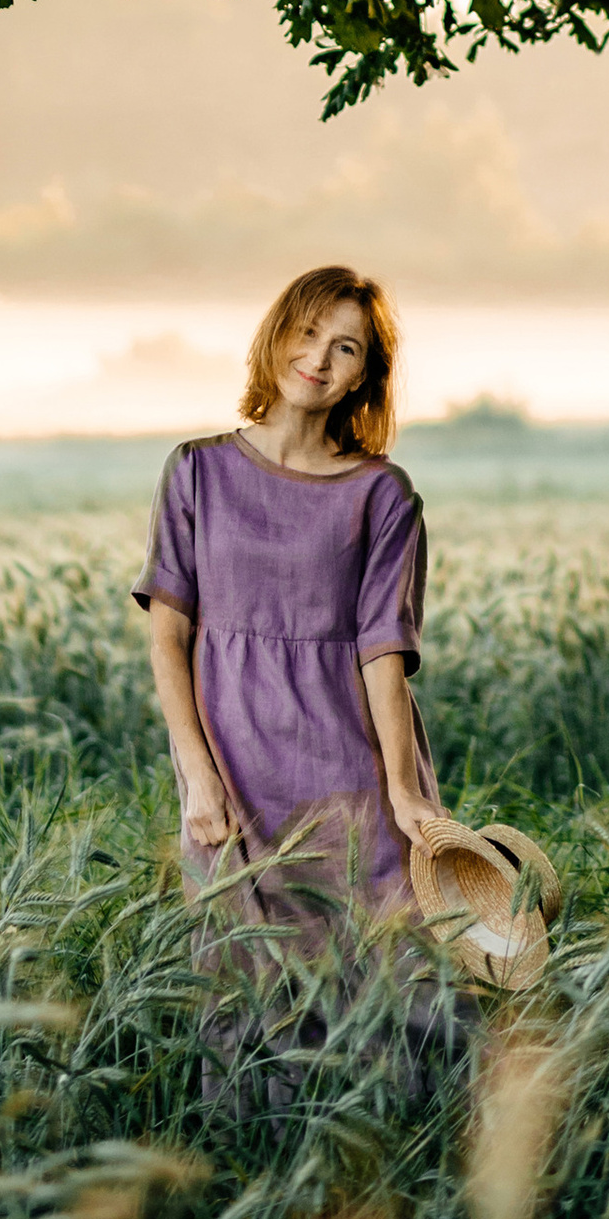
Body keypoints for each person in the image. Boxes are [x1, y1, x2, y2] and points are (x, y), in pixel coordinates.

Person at [133, 263, 443, 937]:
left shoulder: (382, 493)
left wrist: (402, 790)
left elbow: (383, 651)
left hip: (351, 768)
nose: (319, 359)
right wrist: (196, 772)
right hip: (230, 763)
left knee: (388, 964)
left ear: (362, 375)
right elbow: (167, 636)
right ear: (275, 336)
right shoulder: (196, 470)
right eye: (307, 332)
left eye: (345, 347)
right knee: (238, 967)